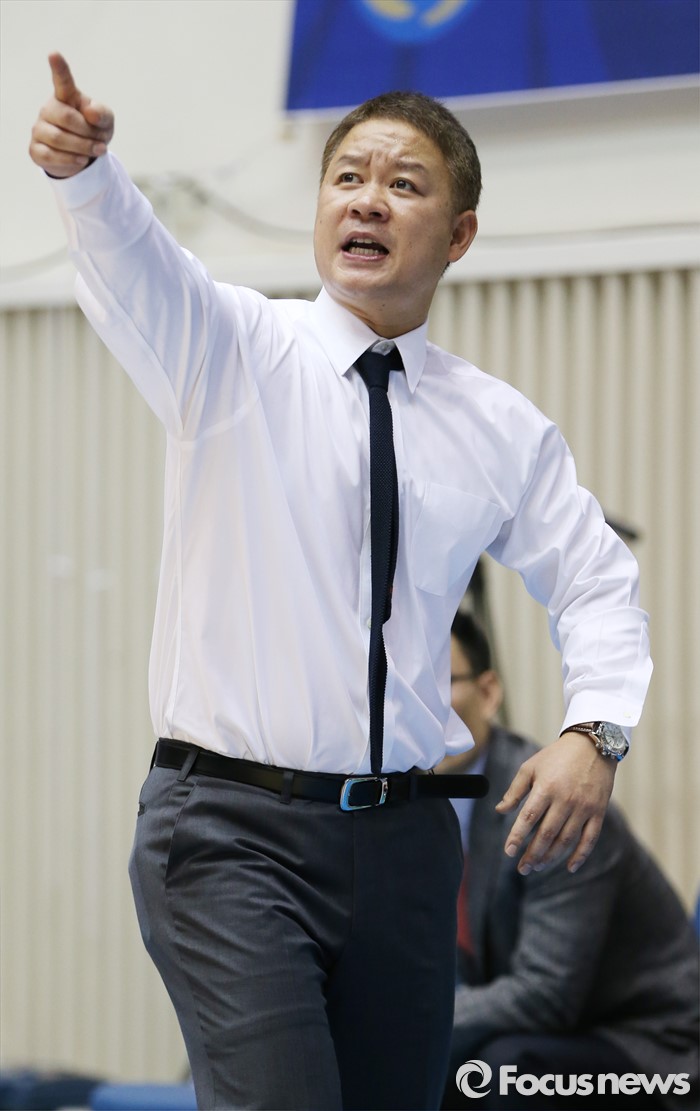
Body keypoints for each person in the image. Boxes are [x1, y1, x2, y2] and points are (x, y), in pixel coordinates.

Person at [29, 54, 653, 1111]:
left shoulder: (496, 424)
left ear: (457, 234)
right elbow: (138, 260)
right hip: (231, 830)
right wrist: (86, 174)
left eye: (404, 184)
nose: (367, 199)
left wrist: (595, 733)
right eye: (347, 177)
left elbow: (597, 579)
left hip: (407, 845)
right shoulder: (230, 347)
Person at [442, 612, 699, 1111]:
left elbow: (546, 996)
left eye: (442, 682)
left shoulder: (557, 803)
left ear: (489, 692)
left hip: (652, 1049)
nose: (421, 704)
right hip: (550, 1034)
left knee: (499, 1073)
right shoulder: (409, 808)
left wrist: (409, 1021)